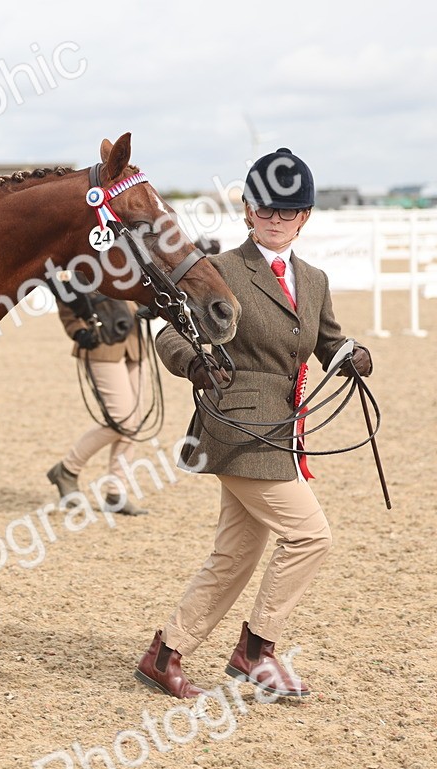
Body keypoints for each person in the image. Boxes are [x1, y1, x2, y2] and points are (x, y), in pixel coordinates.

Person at [134, 147, 373, 699]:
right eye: (264, 208)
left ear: (304, 217)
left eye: (287, 211)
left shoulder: (313, 281)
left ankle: (164, 654)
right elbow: (170, 333)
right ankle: (257, 652)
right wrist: (194, 363)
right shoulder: (220, 271)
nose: (274, 219)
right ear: (246, 210)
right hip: (236, 430)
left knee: (235, 555)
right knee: (311, 536)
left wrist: (356, 356)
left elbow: (330, 344)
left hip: (282, 433)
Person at [46, 286, 150, 516]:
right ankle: (67, 469)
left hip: (133, 339)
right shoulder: (82, 257)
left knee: (135, 422)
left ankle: (116, 492)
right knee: (122, 419)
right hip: (101, 341)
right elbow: (65, 291)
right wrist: (77, 329)